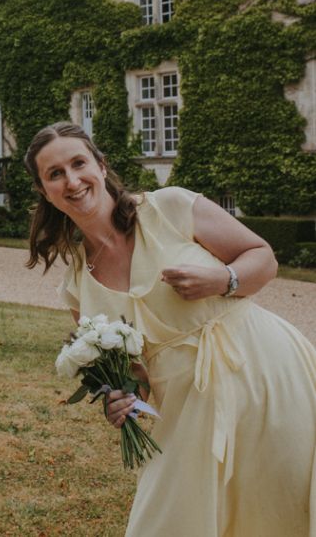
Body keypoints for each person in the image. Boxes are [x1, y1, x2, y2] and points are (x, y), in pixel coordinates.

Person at [24, 122, 316, 536]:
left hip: (266, 371)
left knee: (282, 508)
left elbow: (263, 258)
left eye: (79, 163)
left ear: (101, 166)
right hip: (187, 412)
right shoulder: (76, 288)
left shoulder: (170, 207)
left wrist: (222, 280)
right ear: (44, 190)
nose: (72, 181)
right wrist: (122, 400)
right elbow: (135, 377)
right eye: (55, 174)